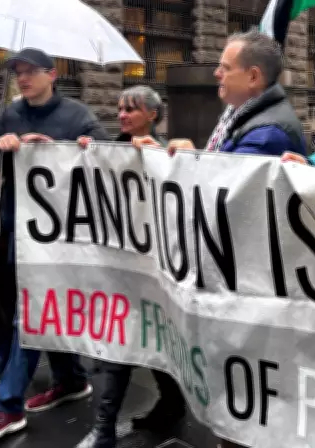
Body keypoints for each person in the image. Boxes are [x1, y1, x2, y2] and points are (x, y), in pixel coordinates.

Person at [0, 49, 108, 441]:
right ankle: (71, 379)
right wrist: (1, 144)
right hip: (15, 229)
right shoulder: (10, 114)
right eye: (18, 72)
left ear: (52, 75)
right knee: (28, 308)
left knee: (32, 312)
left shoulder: (77, 116)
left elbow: (107, 160)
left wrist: (84, 148)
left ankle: (8, 406)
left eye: (30, 72)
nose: (22, 78)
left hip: (58, 237)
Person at [76, 86, 186, 448]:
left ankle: (161, 408)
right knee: (124, 344)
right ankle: (106, 427)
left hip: (151, 269)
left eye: (131, 109)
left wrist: (158, 157)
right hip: (118, 268)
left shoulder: (164, 152)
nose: (122, 115)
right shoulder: (109, 151)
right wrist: (79, 154)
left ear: (152, 115)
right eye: (120, 109)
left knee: (149, 343)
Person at [138, 30, 306, 157]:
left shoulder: (268, 134)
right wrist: (161, 154)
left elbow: (228, 185)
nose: (216, 73)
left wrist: (192, 160)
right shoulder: (239, 116)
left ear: (253, 77)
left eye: (225, 68)